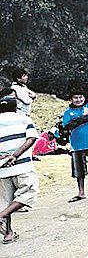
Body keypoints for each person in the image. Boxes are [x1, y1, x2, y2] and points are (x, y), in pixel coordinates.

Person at [0, 89, 39, 244]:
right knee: (29, 191)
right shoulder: (23, 118)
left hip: (2, 169)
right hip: (22, 166)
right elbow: (31, 138)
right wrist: (15, 155)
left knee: (5, 200)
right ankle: (3, 214)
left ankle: (8, 233)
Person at [63, 88, 88, 203]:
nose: (78, 100)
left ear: (84, 97)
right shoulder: (67, 111)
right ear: (71, 99)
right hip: (76, 145)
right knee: (78, 171)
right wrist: (81, 119)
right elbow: (66, 127)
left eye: (80, 97)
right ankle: (81, 192)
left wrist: (74, 121)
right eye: (75, 98)